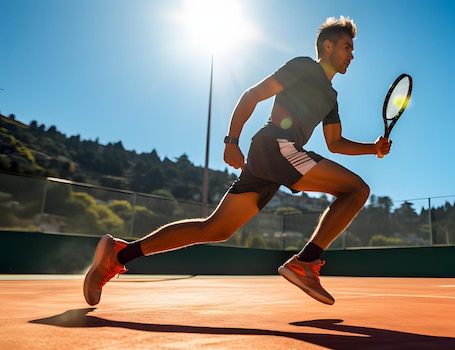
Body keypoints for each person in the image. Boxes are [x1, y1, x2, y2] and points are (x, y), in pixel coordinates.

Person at [83, 16, 391, 306]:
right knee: (356, 190)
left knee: (215, 229)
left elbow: (335, 143)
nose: (352, 55)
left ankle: (119, 255)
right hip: (277, 147)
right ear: (328, 46)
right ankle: (306, 261)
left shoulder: (331, 97)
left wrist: (373, 149)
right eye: (347, 47)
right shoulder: (304, 67)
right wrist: (231, 140)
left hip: (275, 157)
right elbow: (252, 95)